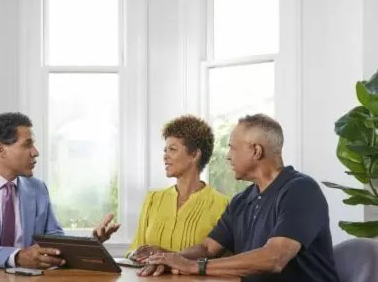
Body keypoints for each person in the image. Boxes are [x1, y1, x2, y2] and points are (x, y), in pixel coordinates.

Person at [143, 114, 339, 281]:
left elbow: (275, 257)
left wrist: (196, 267)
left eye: (232, 148)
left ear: (256, 151)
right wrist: (168, 259)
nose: (228, 156)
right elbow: (207, 248)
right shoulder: (241, 201)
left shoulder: (301, 190)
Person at [0, 112, 119, 269]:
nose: (35, 152)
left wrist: (90, 244)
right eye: (27, 145)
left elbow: (53, 238)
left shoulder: (38, 189)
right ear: (1, 150)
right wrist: (17, 257)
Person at [126, 115, 229, 263]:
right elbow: (135, 249)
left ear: (194, 154)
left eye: (172, 149)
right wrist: (134, 255)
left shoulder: (223, 205)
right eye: (165, 150)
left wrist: (166, 257)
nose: (165, 157)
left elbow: (223, 261)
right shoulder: (153, 199)